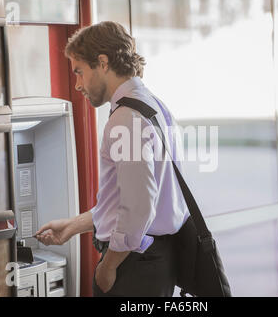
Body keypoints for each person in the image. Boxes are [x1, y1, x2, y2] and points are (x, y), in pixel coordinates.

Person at [35, 21, 189, 297]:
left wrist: (108, 266)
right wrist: (73, 226)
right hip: (153, 261)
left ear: (103, 63)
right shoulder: (152, 104)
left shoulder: (126, 119)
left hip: (133, 267)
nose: (78, 84)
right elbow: (134, 200)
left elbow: (139, 207)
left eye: (79, 72)